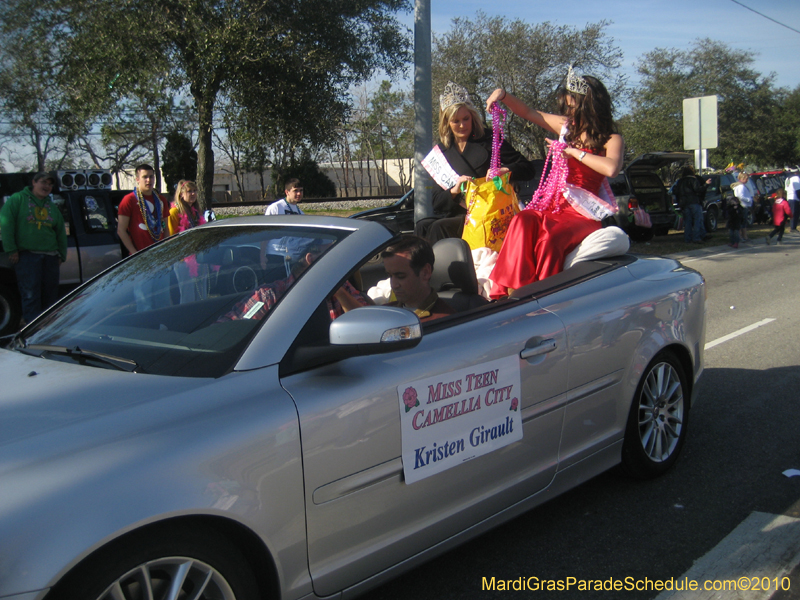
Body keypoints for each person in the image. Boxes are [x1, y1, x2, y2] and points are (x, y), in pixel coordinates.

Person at [484, 66, 623, 298]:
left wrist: (574, 153)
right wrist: (503, 95)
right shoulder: (566, 128)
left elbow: (611, 168)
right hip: (555, 205)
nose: (568, 111)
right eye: (566, 107)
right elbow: (529, 113)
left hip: (583, 213)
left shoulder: (611, 138)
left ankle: (544, 294)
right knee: (522, 220)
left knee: (550, 237)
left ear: (589, 106)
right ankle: (514, 290)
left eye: (572, 106)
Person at [416, 82, 536, 243]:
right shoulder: (441, 152)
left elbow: (528, 169)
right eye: (455, 121)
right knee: (422, 226)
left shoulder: (490, 140)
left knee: (440, 227)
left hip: (488, 212)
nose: (462, 125)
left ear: (472, 116)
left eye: (466, 119)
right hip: (460, 212)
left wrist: (504, 170)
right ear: (447, 123)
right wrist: (454, 190)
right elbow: (437, 202)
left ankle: (440, 268)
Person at [218, 238, 368, 322]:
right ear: (311, 259)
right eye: (332, 254)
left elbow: (367, 322)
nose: (338, 259)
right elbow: (227, 329)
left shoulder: (341, 287)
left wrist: (340, 293)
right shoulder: (270, 296)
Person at [0, 171, 67, 324]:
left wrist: (61, 255)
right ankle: (32, 330)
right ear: (34, 183)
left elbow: (60, 231)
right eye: (44, 182)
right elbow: (6, 223)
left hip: (50, 257)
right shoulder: (18, 199)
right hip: (27, 256)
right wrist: (12, 249)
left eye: (50, 184)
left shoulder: (51, 206)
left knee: (50, 296)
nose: (47, 186)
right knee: (30, 295)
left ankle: (48, 328)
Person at [117, 164, 171, 310]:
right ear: (137, 179)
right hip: (141, 258)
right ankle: (148, 331)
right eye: (145, 177)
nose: (149, 180)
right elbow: (121, 230)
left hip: (160, 257)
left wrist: (167, 250)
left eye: (151, 176)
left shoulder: (161, 200)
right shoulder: (128, 200)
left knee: (164, 299)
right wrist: (135, 253)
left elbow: (166, 228)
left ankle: (166, 329)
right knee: (144, 301)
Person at [381, 235, 455, 322]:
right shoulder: (385, 312)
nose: (393, 285)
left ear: (425, 272)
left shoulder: (445, 321)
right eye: (390, 276)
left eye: (401, 276)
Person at [168, 180, 209, 303]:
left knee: (202, 292)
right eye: (189, 191)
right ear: (181, 194)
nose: (193, 194)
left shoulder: (195, 212)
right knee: (188, 294)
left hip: (199, 256)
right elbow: (170, 238)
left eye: (194, 191)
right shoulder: (174, 212)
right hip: (183, 259)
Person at [674, 166, 710, 244]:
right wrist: (706, 184)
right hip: (694, 202)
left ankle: (687, 238)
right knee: (697, 220)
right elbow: (698, 189)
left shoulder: (680, 181)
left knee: (688, 222)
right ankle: (696, 237)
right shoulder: (693, 180)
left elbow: (675, 191)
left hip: (684, 203)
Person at [733, 172, 753, 242]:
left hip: (744, 205)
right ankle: (742, 236)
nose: (747, 180)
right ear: (742, 178)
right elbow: (740, 196)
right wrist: (748, 199)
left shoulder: (742, 186)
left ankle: (744, 236)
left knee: (743, 222)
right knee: (742, 222)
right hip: (742, 205)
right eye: (746, 178)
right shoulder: (740, 187)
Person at [784, 168, 800, 233]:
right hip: (795, 197)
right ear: (796, 172)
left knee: (792, 213)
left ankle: (793, 227)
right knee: (795, 213)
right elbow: (798, 190)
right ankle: (793, 228)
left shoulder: (788, 179)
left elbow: (786, 189)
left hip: (789, 197)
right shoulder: (796, 178)